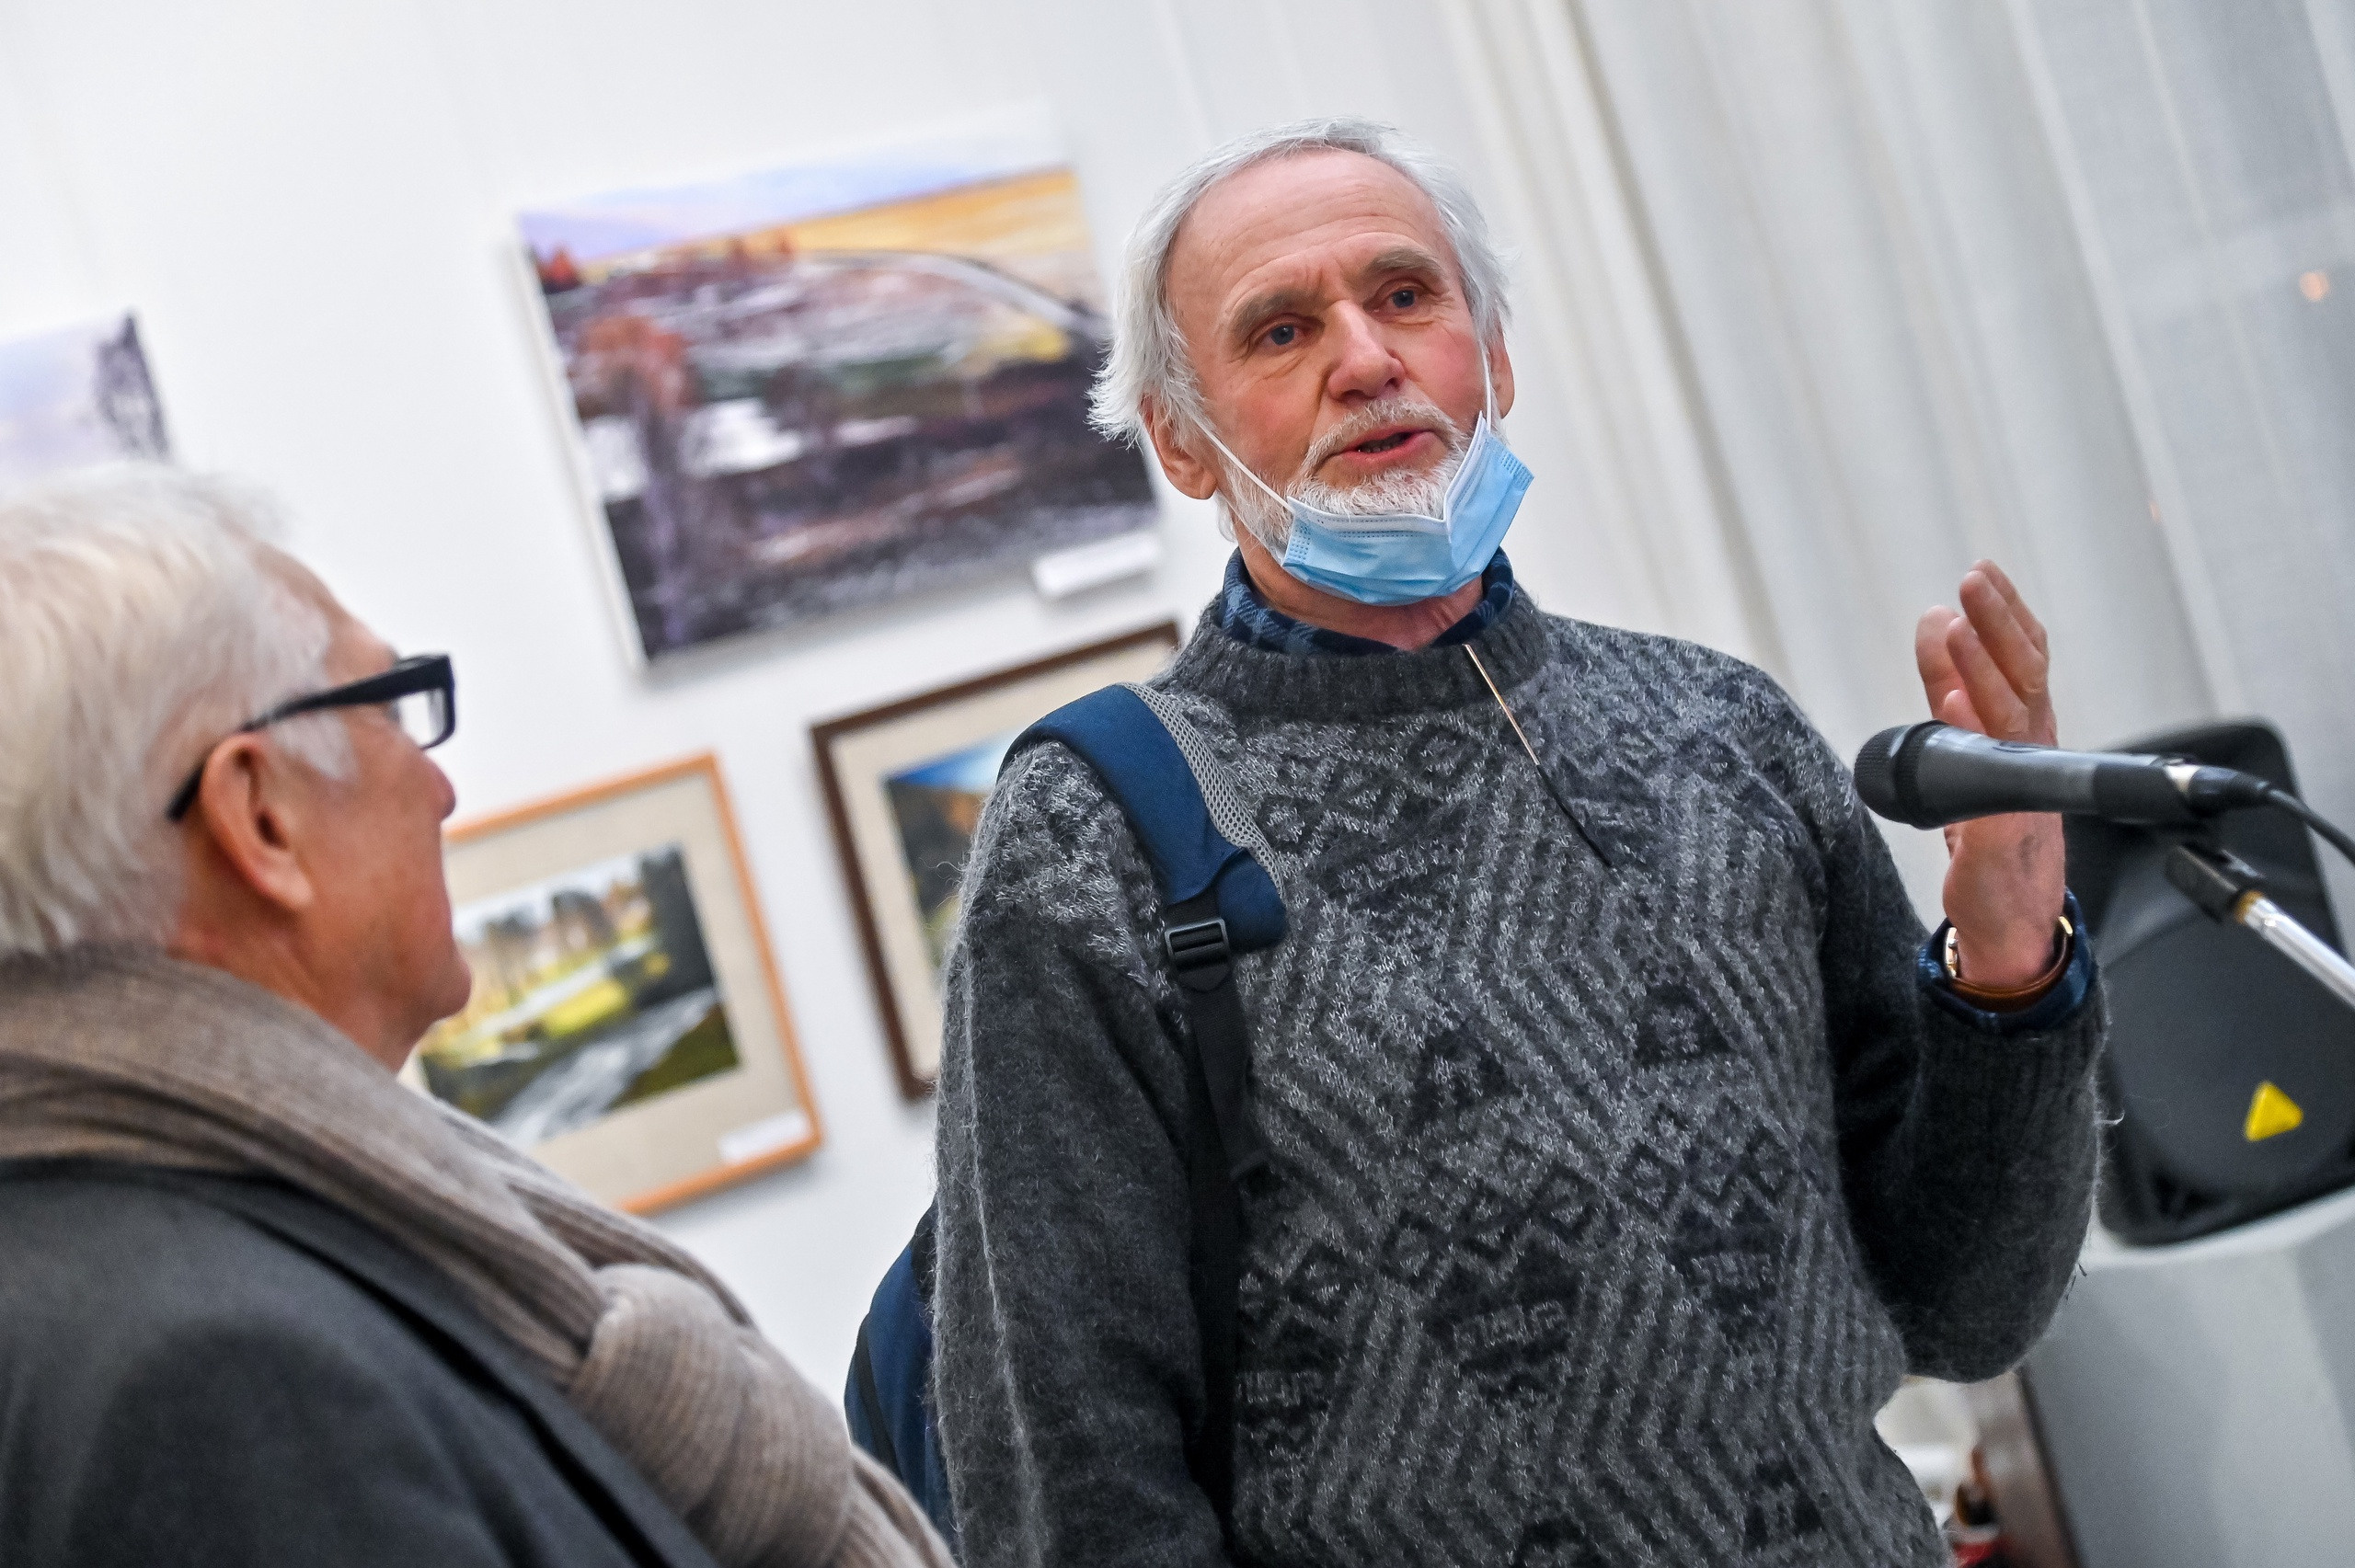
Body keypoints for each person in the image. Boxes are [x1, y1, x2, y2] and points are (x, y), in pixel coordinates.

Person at [930, 119, 2104, 1568]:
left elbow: (1966, 1307)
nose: (1365, 360)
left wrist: (2005, 959)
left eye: (1407, 296)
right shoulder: (1094, 833)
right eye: (1283, 329)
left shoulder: (1720, 727)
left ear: (1495, 353)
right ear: (1182, 440)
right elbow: (1069, 1480)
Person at [0, 465, 951, 1568]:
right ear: (257, 816)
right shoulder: (211, 1372)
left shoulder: (171, 1251)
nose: (439, 786)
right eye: (386, 704)